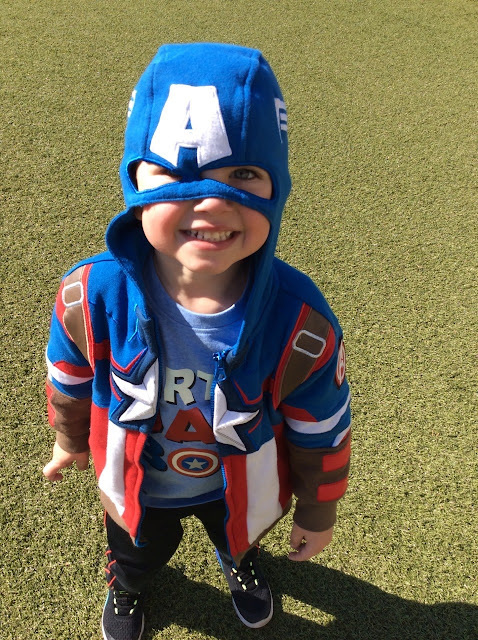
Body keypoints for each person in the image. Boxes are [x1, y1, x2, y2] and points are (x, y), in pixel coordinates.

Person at [42, 43, 351, 640]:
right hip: (138, 483)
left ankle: (240, 562)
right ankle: (129, 586)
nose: (211, 201)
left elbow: (323, 423)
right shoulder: (89, 294)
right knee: (135, 553)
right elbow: (69, 373)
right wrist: (69, 437)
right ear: (134, 179)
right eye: (177, 174)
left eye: (243, 175)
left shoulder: (301, 321)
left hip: (237, 485)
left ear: (277, 189)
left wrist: (318, 509)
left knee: (240, 536)